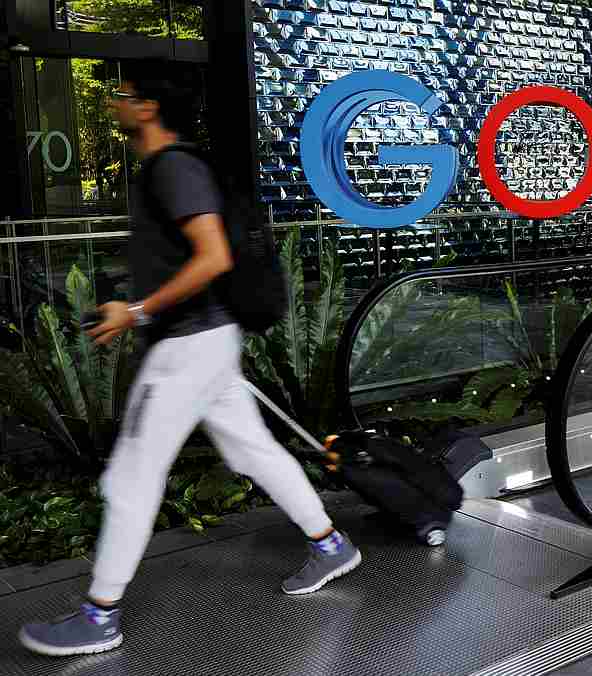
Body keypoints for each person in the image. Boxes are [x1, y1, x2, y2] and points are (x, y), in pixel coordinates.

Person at [18, 63, 361, 658]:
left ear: (148, 108)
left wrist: (139, 311)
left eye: (122, 96)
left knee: (131, 477)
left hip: (185, 348)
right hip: (204, 343)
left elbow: (212, 258)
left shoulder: (173, 169)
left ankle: (100, 616)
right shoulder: (167, 169)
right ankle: (330, 545)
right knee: (251, 449)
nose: (114, 104)